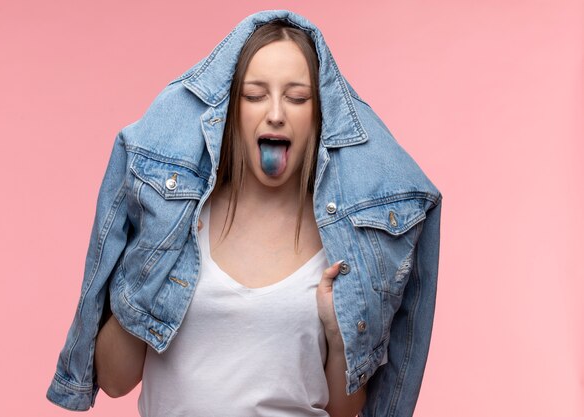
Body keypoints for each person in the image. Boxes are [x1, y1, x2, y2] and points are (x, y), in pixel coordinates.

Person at [46, 10, 442, 417]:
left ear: (321, 118)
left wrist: (339, 340)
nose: (275, 113)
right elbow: (114, 380)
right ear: (229, 112)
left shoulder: (345, 246)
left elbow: (343, 409)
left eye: (297, 97)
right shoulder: (179, 225)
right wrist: (153, 259)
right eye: (254, 95)